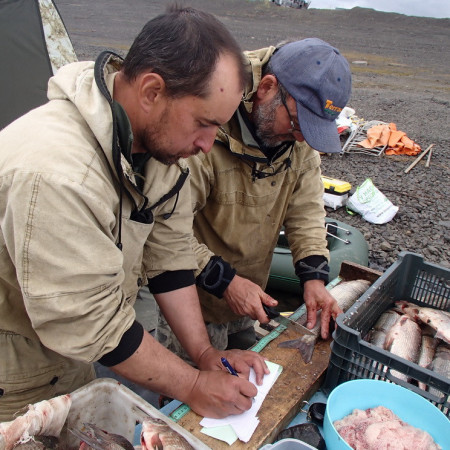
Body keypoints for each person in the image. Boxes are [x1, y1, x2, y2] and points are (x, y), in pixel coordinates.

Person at [0, 6, 269, 422]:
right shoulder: (59, 174)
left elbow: (170, 255)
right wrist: (192, 385)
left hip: (70, 355)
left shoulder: (158, 148)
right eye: (203, 123)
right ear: (151, 91)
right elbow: (91, 322)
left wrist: (203, 355)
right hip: (12, 373)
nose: (206, 144)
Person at [156, 38, 351, 356]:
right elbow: (163, 227)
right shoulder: (206, 124)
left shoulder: (295, 138)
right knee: (194, 383)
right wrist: (223, 281)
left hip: (250, 289)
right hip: (192, 296)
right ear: (267, 87)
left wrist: (314, 278)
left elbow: (306, 210)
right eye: (299, 124)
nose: (302, 138)